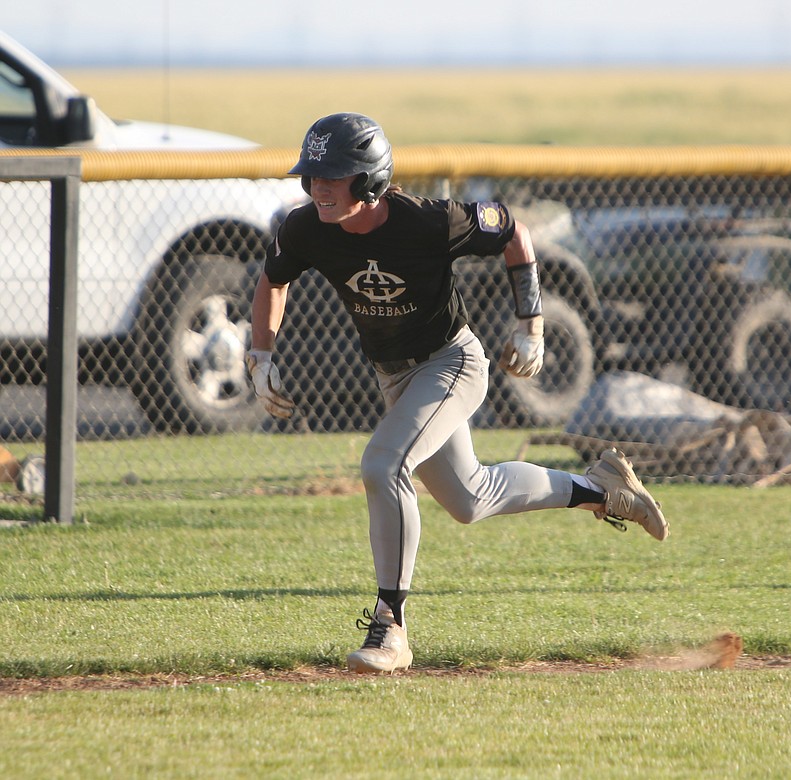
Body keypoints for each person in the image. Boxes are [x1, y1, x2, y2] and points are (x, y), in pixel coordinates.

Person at [247, 113, 668, 674]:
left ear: (370, 179)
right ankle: (599, 488)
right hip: (396, 376)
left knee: (382, 463)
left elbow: (514, 232)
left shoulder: (427, 221)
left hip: (453, 363)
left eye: (334, 175)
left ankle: (390, 627)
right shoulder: (307, 227)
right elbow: (274, 278)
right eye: (311, 175)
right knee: (470, 498)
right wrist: (261, 355)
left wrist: (532, 325)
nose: (318, 186)